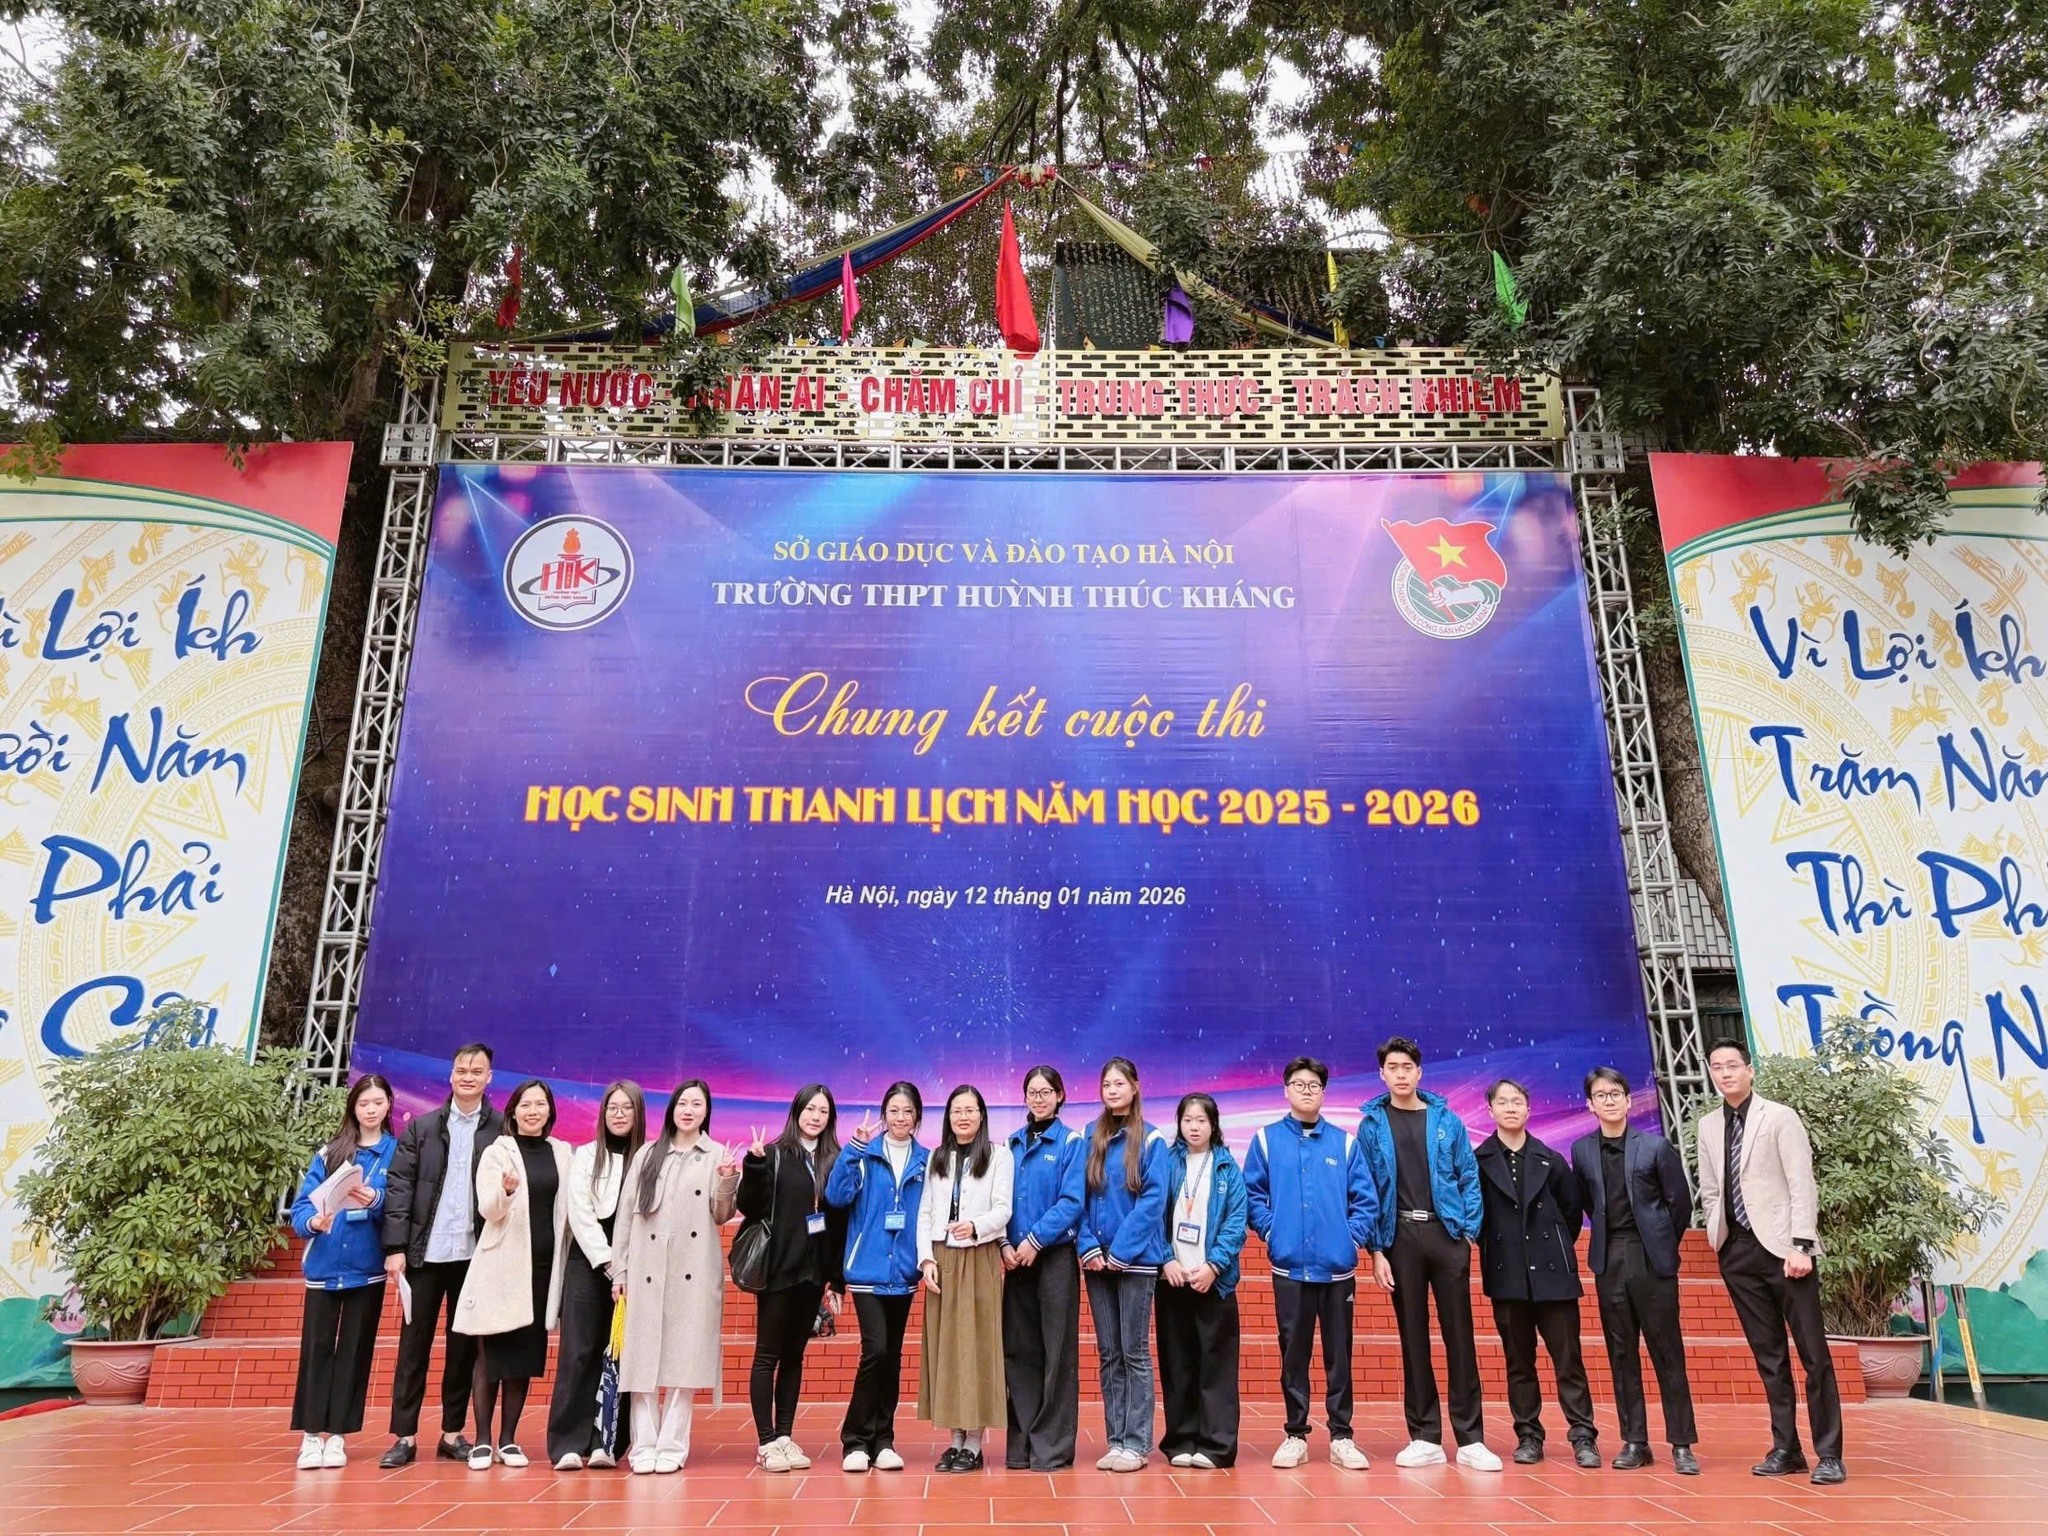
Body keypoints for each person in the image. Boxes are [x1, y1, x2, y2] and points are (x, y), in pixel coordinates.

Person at [1697, 1037, 1845, 1486]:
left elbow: (1802, 1183)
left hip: (1784, 1251)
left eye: (1732, 1065)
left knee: (1814, 1355)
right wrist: (1718, 1239)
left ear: (1750, 1070)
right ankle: (1786, 1448)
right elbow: (1710, 1189)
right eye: (1717, 1067)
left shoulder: (1779, 1117)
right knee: (1769, 1358)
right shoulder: (1708, 1126)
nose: (1725, 1073)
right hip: (1738, 1252)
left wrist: (1801, 1244)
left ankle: (1829, 1454)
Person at [1358, 1036, 1497, 1470]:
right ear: (1382, 1074)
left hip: (1446, 1235)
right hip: (1399, 1238)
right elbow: (1366, 1189)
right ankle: (1424, 1436)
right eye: (1392, 1068)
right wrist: (1376, 1250)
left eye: (1407, 1067)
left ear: (1419, 1072)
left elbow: (1468, 1175)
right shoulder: (1372, 1125)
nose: (1400, 1074)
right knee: (1413, 1337)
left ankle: (1471, 1439)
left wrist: (1468, 1232)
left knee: (1460, 1336)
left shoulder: (1446, 1121)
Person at [1244, 1055, 1378, 1471]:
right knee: (1293, 1354)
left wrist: (1349, 1240)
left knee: (1340, 1355)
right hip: (1290, 1269)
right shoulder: (1266, 1140)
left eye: (1314, 1085)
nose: (1306, 1091)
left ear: (1323, 1092)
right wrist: (1273, 1233)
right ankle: (1295, 1434)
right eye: (1299, 1084)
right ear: (1286, 1090)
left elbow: (1365, 1201)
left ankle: (1342, 1435)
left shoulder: (1345, 1143)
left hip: (1337, 1271)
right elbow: (1253, 1196)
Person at [378, 1043, 505, 1468]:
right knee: (413, 1347)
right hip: (424, 1256)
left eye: (477, 1071)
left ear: (489, 1078)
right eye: (461, 1070)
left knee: (462, 1349)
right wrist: (395, 1248)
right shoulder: (423, 1127)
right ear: (451, 1075)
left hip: (473, 1257)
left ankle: (452, 1433)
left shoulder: (501, 1130)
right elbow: (399, 1188)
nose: (468, 1077)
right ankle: (405, 1436)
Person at [1570, 1066, 1700, 1475]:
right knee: (1621, 1352)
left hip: (1652, 1257)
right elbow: (1587, 1202)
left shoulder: (1656, 1147)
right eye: (1601, 1095)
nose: (1609, 1101)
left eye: (1615, 1094)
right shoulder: (1581, 1151)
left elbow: (1680, 1204)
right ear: (1590, 1105)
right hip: (1609, 1259)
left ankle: (1681, 1444)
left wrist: (1660, 1241)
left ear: (1628, 1100)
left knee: (1667, 1350)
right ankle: (1635, 1441)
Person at [611, 1080, 741, 1473]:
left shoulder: (716, 1154)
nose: (688, 1110)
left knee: (685, 1361)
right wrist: (620, 1269)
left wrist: (727, 1178)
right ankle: (643, 1445)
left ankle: (672, 1445)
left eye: (697, 1104)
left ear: (706, 1112)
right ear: (671, 1108)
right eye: (683, 1103)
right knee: (642, 1362)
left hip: (693, 1271)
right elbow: (626, 1215)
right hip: (646, 1270)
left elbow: (721, 1215)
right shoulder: (648, 1154)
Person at [1475, 1078, 1598, 1468]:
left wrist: (1552, 1249)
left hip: (1553, 1276)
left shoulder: (1551, 1159)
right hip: (1507, 1277)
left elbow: (1571, 1214)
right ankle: (1528, 1435)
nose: (1511, 1108)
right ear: (1490, 1111)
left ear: (1528, 1110)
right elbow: (1476, 1219)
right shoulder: (1478, 1162)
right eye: (1503, 1102)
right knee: (1519, 1364)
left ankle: (1583, 1435)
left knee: (1569, 1361)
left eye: (1517, 1102)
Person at [453, 1078, 572, 1469]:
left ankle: (508, 1440)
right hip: (502, 1268)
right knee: (491, 1355)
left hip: (542, 1271)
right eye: (525, 1104)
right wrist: (505, 1192)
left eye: (540, 1104)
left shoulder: (562, 1153)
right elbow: (488, 1209)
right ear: (513, 1111)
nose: (533, 1111)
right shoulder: (497, 1152)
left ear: (550, 1111)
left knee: (523, 1357)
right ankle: (482, 1440)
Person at [287, 1074, 397, 1469]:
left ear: (389, 1105)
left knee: (354, 1351)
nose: (371, 1110)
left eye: (378, 1102)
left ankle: (338, 1437)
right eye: (364, 1103)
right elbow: (302, 1206)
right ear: (353, 1107)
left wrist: (377, 1199)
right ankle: (310, 1436)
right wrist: (313, 1222)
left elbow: (402, 1205)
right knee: (317, 1349)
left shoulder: (397, 1152)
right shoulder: (330, 1153)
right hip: (324, 1266)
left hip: (367, 1269)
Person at [737, 1083, 846, 1472]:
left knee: (795, 1356)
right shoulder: (774, 1154)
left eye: (823, 1111)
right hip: (778, 1270)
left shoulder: (835, 1159)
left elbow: (838, 1221)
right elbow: (749, 1206)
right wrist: (753, 1166)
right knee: (767, 1355)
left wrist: (835, 1279)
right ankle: (766, 1442)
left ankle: (785, 1435)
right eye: (810, 1109)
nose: (816, 1117)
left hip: (813, 1276)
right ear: (796, 1111)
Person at [824, 1081, 930, 1472]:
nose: (900, 1118)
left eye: (908, 1111)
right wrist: (853, 1149)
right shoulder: (865, 1155)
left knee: (893, 1357)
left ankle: (883, 1440)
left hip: (902, 1273)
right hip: (867, 1270)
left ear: (917, 1117)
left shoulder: (927, 1160)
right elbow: (836, 1196)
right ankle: (855, 1440)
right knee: (876, 1351)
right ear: (884, 1114)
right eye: (894, 1110)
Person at [1077, 1056, 1169, 1472]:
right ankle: (1116, 1440)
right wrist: (1088, 1247)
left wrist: (1122, 1251)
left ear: (1135, 1087)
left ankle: (1137, 1443)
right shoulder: (1088, 1137)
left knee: (1134, 1351)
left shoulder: (1152, 1140)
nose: (1112, 1091)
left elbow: (1153, 1201)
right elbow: (1076, 1197)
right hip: (1097, 1263)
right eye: (1106, 1085)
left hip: (1135, 1262)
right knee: (1109, 1352)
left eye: (1119, 1084)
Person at [548, 1080, 645, 1470]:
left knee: (618, 1352)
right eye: (612, 1108)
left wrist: (626, 1267)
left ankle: (606, 1442)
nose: (618, 1115)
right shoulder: (586, 1155)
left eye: (626, 1108)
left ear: (638, 1113)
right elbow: (580, 1213)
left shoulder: (648, 1156)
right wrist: (607, 1263)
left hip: (633, 1267)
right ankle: (567, 1444)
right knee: (579, 1351)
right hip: (590, 1263)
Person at [917, 1083, 1014, 1472]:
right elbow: (925, 1212)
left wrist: (975, 1226)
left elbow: (1004, 1209)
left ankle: (974, 1442)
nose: (963, 1116)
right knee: (946, 1349)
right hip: (942, 1259)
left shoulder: (999, 1155)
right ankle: (954, 1439)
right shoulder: (937, 1157)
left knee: (978, 1346)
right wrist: (926, 1259)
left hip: (979, 1256)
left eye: (970, 1110)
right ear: (948, 1117)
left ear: (981, 1115)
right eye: (956, 1110)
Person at [1001, 1064, 1087, 1470]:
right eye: (1032, 1092)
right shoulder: (1011, 1144)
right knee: (1019, 1352)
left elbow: (1072, 1201)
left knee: (1057, 1353)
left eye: (1046, 1092)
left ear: (1060, 1096)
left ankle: (1051, 1448)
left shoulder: (1071, 1142)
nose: (1039, 1099)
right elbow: (999, 1200)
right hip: (1015, 1259)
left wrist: (1035, 1240)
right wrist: (1004, 1243)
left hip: (1053, 1258)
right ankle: (1020, 1445)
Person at [1156, 1092, 1247, 1470]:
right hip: (1173, 1280)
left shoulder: (1226, 1167)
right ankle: (1181, 1441)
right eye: (1187, 1120)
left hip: (1214, 1282)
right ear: (1179, 1124)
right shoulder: (1165, 1163)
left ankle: (1216, 1445)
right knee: (1178, 1364)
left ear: (1214, 1125)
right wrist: (1166, 1260)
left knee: (1217, 1367)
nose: (1194, 1127)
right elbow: (1152, 1214)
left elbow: (1236, 1223)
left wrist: (1214, 1266)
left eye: (1201, 1120)